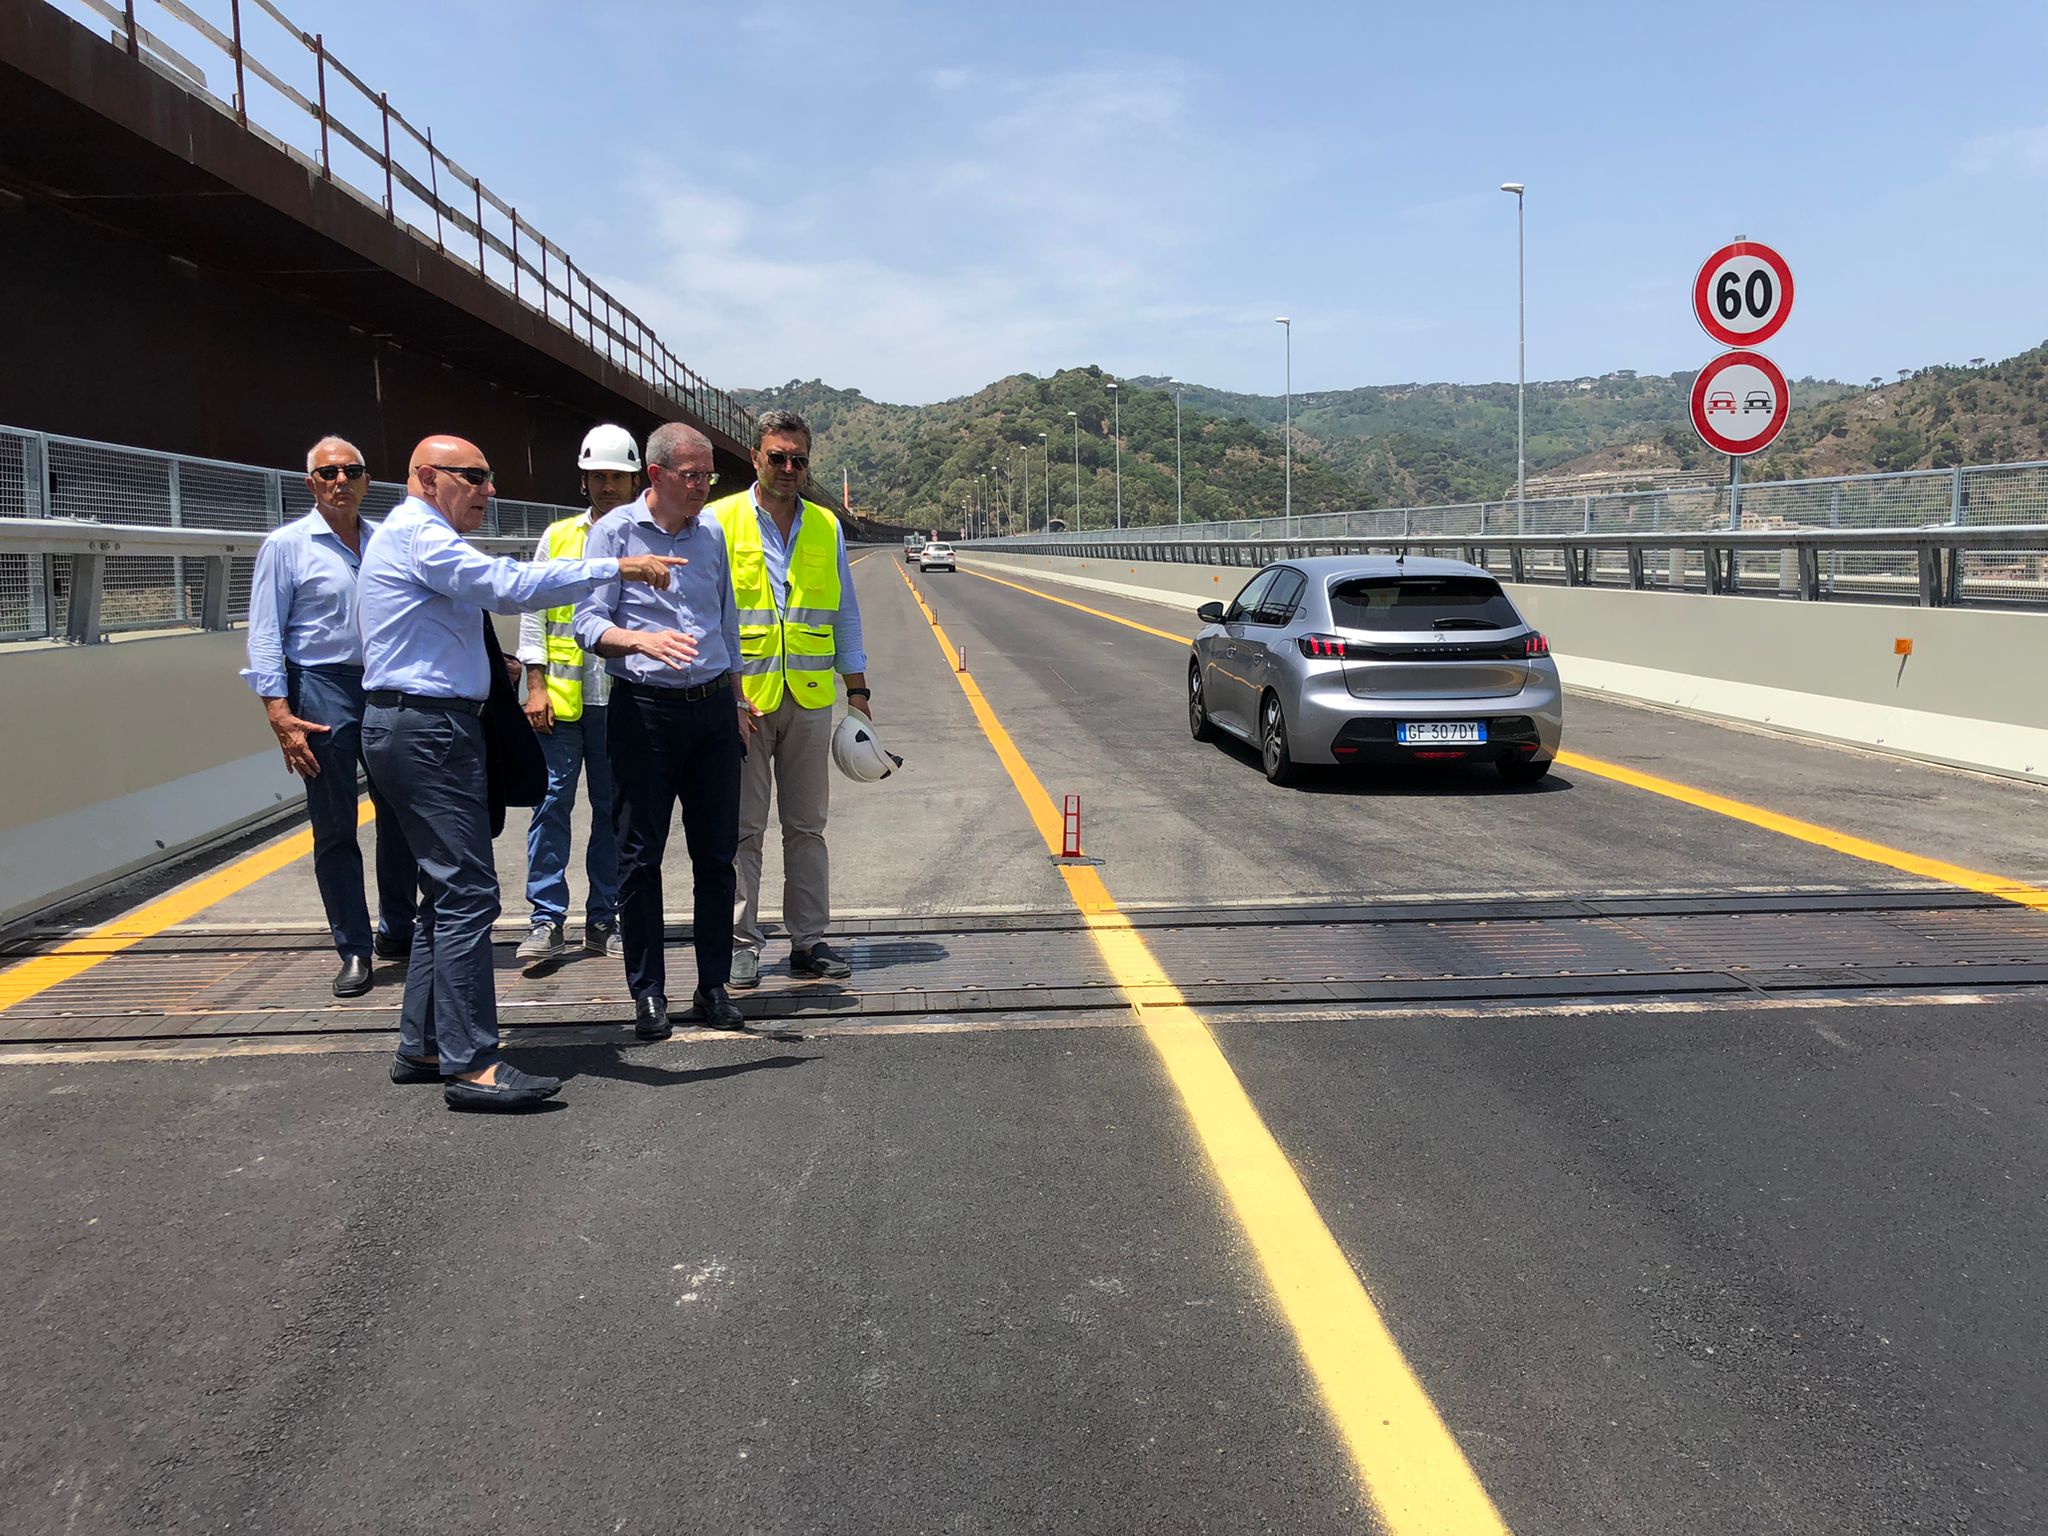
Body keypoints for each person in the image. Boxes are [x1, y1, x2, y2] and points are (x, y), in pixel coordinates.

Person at [358, 434, 690, 1110]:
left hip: (419, 725)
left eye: (489, 476)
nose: (487, 490)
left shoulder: (415, 535)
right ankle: (474, 1063)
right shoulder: (423, 537)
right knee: (469, 895)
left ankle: (423, 1044)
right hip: (426, 730)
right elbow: (508, 589)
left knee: (442, 894)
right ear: (426, 477)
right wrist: (615, 570)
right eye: (473, 477)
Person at [574, 423, 747, 1041]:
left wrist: (738, 702)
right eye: (690, 475)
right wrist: (639, 639)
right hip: (643, 711)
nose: (702, 486)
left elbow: (724, 623)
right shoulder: (613, 534)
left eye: (708, 476)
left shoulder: (713, 538)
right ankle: (648, 992)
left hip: (710, 714)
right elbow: (587, 624)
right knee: (640, 858)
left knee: (716, 855)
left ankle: (713, 985)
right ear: (656, 475)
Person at [241, 435, 417, 999]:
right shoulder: (286, 546)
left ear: (367, 480)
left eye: (352, 471)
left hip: (385, 682)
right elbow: (266, 634)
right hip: (321, 688)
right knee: (336, 822)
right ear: (311, 484)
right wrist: (278, 711)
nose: (341, 481)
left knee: (401, 812)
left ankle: (398, 928)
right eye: (328, 473)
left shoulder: (385, 541)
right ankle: (354, 947)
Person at [705, 408, 869, 989]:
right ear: (755, 458)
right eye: (777, 457)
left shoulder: (826, 525)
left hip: (806, 697)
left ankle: (808, 940)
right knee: (743, 827)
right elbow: (703, 611)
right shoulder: (718, 520)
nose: (789, 468)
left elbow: (845, 614)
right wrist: (722, 694)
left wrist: (858, 691)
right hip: (745, 699)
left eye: (799, 459)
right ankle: (741, 942)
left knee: (807, 826)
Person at [513, 424, 644, 972]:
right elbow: (533, 611)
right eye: (599, 477)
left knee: (613, 811)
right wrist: (535, 684)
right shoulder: (558, 538)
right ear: (584, 481)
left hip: (620, 701)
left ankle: (603, 916)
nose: (608, 486)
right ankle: (546, 918)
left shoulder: (647, 539)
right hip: (561, 705)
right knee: (552, 805)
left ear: (636, 479)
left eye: (617, 476)